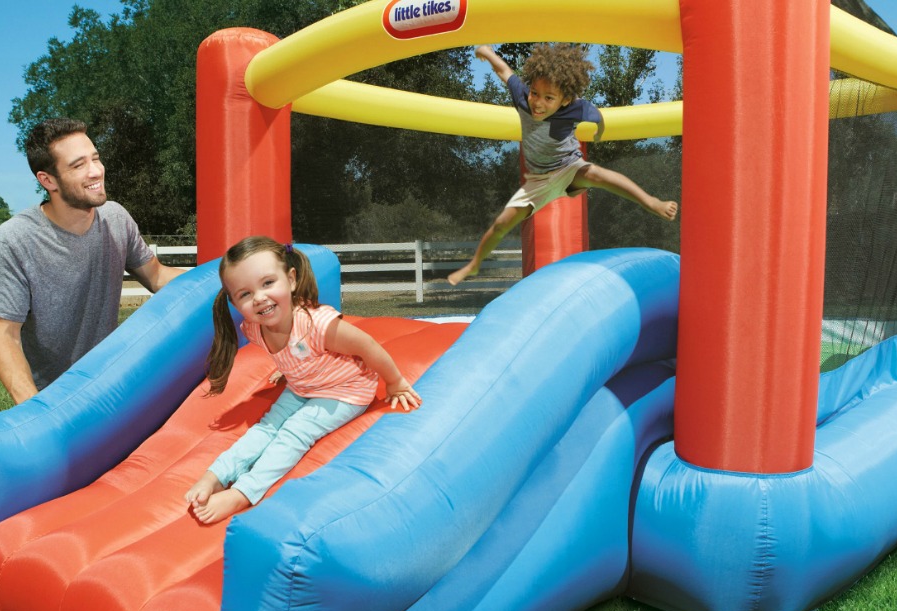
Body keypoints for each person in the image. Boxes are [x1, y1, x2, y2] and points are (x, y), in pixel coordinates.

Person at [184, 236, 422, 524]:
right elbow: (298, 352)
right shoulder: (255, 329)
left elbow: (367, 346)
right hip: (304, 386)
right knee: (264, 429)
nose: (259, 297)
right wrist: (290, 370)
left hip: (345, 390)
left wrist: (395, 382)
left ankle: (244, 493)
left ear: (291, 279)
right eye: (245, 294)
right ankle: (216, 476)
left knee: (294, 433)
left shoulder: (318, 324)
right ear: (234, 302)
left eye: (268, 283)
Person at [0, 118, 184, 404]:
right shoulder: (14, 240)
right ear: (47, 180)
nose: (96, 171)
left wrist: (223, 278)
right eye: (78, 165)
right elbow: (3, 334)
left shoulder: (115, 218)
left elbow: (157, 276)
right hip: (56, 397)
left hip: (113, 383)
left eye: (96, 158)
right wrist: (33, 408)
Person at [449, 44, 679, 286]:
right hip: (537, 182)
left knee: (597, 174)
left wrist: (599, 130)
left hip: (568, 169)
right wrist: (486, 53)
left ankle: (651, 202)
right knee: (500, 225)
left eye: (549, 98)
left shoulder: (575, 108)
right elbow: (504, 71)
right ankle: (474, 264)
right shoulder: (522, 98)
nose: (538, 103)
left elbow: (597, 116)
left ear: (565, 100)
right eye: (535, 93)